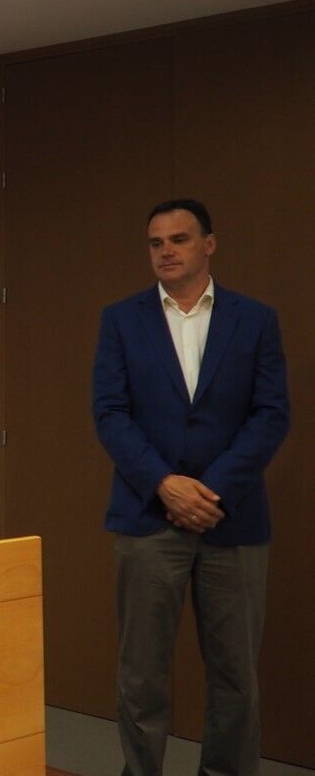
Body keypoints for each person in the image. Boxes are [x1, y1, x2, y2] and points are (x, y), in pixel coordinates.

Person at [92, 198, 289, 776]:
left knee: (235, 674)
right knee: (140, 673)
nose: (166, 251)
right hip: (147, 516)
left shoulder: (255, 319)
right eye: (156, 243)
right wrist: (164, 484)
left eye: (179, 239)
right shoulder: (121, 320)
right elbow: (110, 413)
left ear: (209, 244)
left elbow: (271, 415)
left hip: (235, 519)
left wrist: (212, 491)